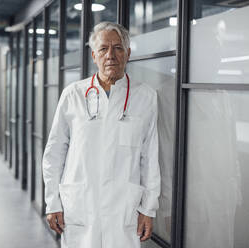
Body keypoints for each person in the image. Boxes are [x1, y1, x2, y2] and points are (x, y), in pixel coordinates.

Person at [42, 22, 161, 248]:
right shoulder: (73, 95)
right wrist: (52, 203)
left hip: (124, 211)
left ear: (128, 54)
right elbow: (54, 153)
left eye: (117, 48)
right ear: (94, 55)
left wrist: (148, 208)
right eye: (104, 49)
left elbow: (150, 157)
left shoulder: (146, 97)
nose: (111, 55)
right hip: (81, 207)